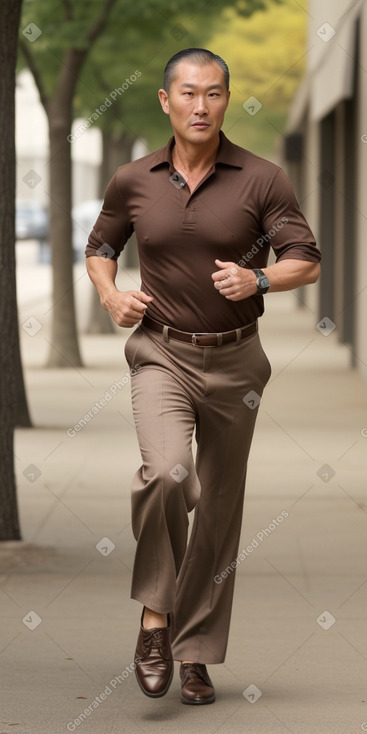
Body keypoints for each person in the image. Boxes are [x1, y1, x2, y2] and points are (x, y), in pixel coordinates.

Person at [85, 48, 321, 705]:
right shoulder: (133, 179)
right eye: (187, 93)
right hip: (162, 352)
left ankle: (195, 656)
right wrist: (110, 296)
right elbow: (101, 247)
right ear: (166, 100)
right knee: (170, 474)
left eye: (213, 93)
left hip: (238, 359)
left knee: (216, 507)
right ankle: (156, 620)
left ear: (225, 100)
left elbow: (306, 257)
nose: (200, 105)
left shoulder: (261, 178)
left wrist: (260, 277)